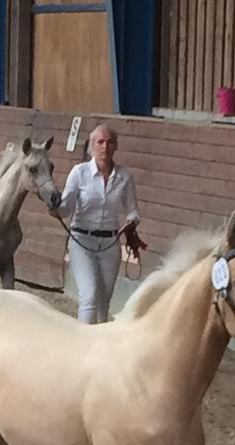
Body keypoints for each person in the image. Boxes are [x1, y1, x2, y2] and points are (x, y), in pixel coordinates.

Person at [51, 124, 140, 324]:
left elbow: (132, 210)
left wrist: (131, 221)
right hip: (82, 241)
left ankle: (100, 344)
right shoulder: (79, 173)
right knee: (89, 296)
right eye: (100, 142)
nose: (105, 147)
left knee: (103, 302)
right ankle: (83, 343)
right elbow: (66, 208)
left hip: (110, 244)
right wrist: (55, 208)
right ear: (92, 146)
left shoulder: (124, 177)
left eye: (109, 142)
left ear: (115, 146)